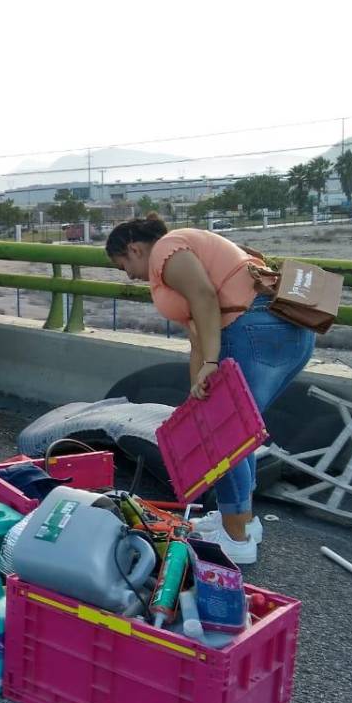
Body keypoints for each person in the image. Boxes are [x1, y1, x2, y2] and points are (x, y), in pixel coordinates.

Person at [105, 214, 315, 564]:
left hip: (255, 331)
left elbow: (204, 297)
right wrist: (195, 394)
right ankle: (241, 520)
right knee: (235, 432)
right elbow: (198, 334)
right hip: (281, 331)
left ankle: (237, 539)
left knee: (224, 439)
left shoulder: (166, 251)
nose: (127, 274)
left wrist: (212, 363)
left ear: (134, 248)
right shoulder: (183, 251)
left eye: (122, 263)